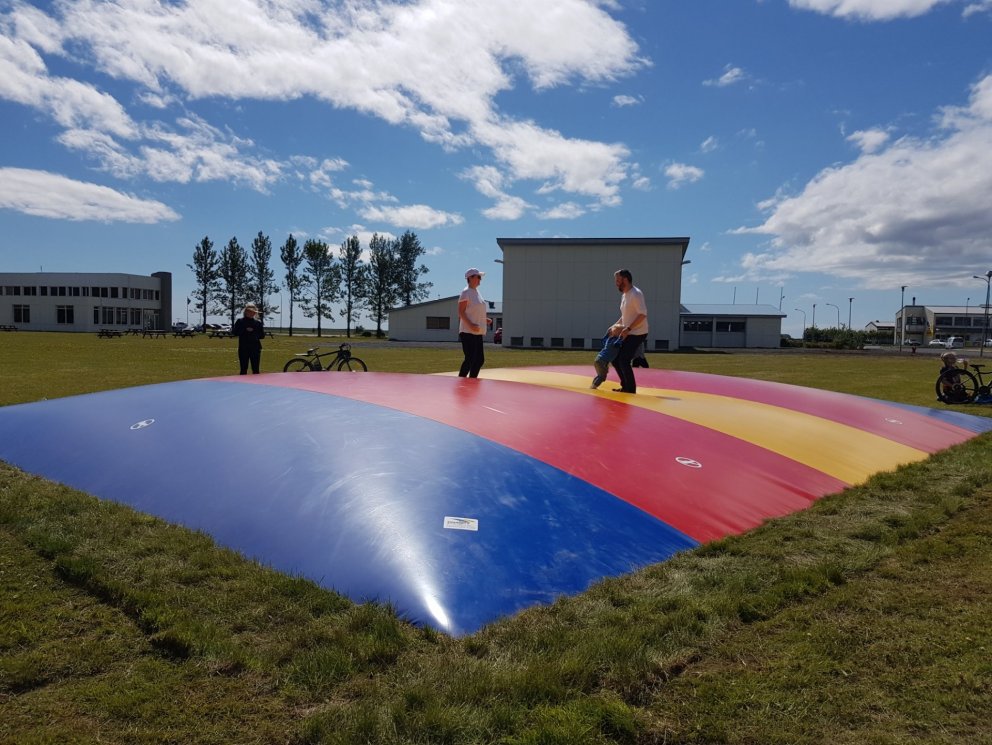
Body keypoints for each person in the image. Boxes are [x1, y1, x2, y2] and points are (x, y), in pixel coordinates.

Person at [610, 268, 649, 393]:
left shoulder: (636, 294)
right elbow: (625, 315)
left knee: (623, 359)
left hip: (638, 333)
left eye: (618, 280)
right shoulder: (625, 295)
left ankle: (630, 389)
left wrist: (628, 328)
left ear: (625, 279)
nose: (616, 283)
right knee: (615, 359)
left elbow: (642, 314)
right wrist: (614, 326)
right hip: (628, 332)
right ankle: (625, 386)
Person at [457, 268, 492, 378]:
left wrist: (484, 319)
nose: (480, 279)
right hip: (467, 331)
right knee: (470, 359)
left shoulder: (477, 292)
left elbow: (474, 310)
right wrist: (471, 325)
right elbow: (461, 312)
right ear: (470, 278)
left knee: (479, 360)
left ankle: (472, 381)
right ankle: (461, 381)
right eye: (478, 277)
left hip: (477, 332)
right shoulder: (466, 292)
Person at [232, 302, 265, 374]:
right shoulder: (240, 321)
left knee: (256, 369)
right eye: (250, 311)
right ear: (246, 312)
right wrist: (244, 330)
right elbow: (234, 332)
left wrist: (254, 331)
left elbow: (262, 336)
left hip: (255, 348)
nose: (252, 313)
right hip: (243, 348)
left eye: (253, 312)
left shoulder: (258, 323)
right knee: (243, 369)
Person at [590, 324, 624, 389]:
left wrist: (607, 334)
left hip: (599, 359)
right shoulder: (615, 340)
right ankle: (593, 386)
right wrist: (621, 337)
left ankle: (593, 385)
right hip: (602, 361)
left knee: (601, 375)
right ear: (619, 333)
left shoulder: (609, 339)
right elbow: (617, 344)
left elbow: (603, 340)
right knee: (602, 377)